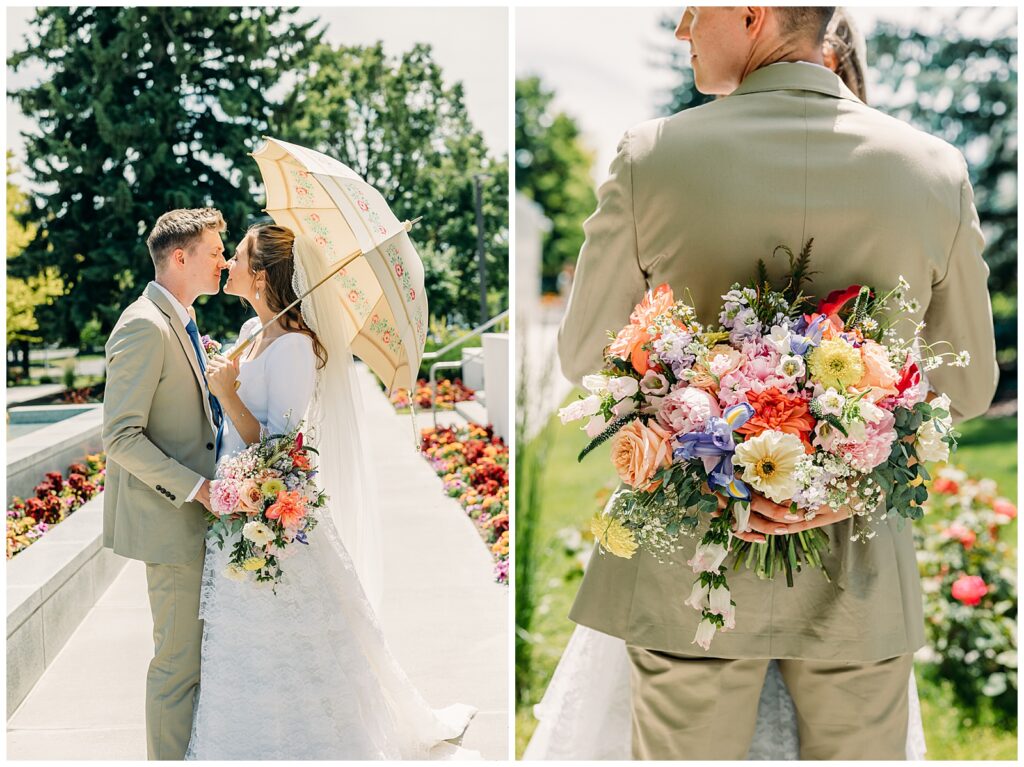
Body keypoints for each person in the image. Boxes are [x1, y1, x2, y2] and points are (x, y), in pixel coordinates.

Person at [553, 5, 997, 761]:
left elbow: (586, 355)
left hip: (688, 570)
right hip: (858, 568)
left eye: (694, 11)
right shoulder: (934, 170)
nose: (681, 31)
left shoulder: (649, 158)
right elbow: (970, 384)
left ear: (751, 13)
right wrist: (844, 468)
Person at [186, 224, 476, 759]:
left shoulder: (295, 347)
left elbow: (281, 446)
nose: (226, 263)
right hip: (237, 508)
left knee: (291, 638)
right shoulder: (252, 328)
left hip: (276, 519)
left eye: (238, 255)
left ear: (262, 272)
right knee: (243, 641)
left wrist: (227, 394)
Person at [102, 208, 228, 760]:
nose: (224, 260)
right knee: (177, 669)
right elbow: (121, 437)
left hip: (194, 524)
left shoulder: (179, 320)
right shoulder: (143, 325)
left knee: (192, 664)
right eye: (215, 251)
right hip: (171, 524)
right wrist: (199, 490)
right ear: (181, 258)